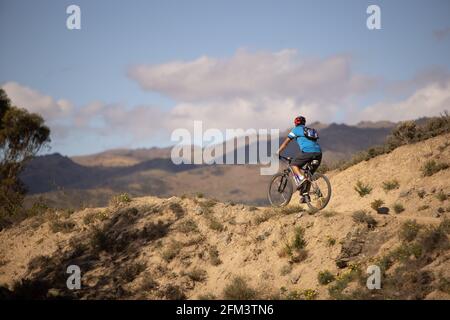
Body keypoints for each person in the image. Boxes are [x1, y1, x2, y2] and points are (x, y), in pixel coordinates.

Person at [276, 116, 322, 203]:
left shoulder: (296, 130)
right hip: (318, 153)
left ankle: (301, 178)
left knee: (294, 165)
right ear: (304, 123)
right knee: (308, 175)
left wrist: (278, 152)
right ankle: (305, 196)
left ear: (295, 123)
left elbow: (286, 142)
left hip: (308, 152)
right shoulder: (308, 130)